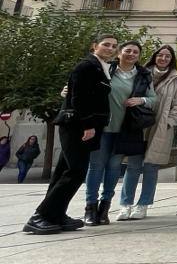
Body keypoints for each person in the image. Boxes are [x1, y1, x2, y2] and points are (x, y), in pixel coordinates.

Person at [24, 33, 116, 235]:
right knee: (76, 172)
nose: (110, 48)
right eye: (106, 44)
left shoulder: (101, 67)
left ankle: (56, 214)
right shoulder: (87, 66)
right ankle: (40, 216)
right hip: (77, 126)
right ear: (95, 46)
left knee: (64, 171)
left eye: (113, 46)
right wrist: (88, 124)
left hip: (82, 126)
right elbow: (79, 98)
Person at [83, 40, 156, 226]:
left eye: (135, 52)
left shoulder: (143, 75)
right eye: (127, 50)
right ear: (119, 53)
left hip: (125, 129)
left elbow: (153, 99)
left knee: (114, 168)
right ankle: (90, 207)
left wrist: (141, 100)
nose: (131, 54)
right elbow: (86, 88)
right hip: (102, 127)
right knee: (96, 166)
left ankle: (104, 207)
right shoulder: (106, 70)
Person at [119, 45, 177, 220]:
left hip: (159, 127)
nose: (163, 59)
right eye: (160, 55)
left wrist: (168, 123)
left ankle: (143, 204)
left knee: (151, 167)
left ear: (171, 60)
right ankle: (125, 204)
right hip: (138, 125)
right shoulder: (140, 73)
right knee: (133, 166)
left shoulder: (176, 80)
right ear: (154, 56)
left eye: (167, 56)